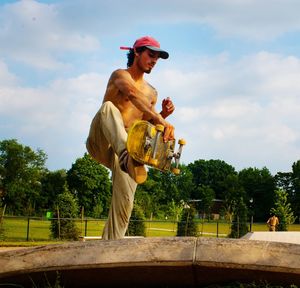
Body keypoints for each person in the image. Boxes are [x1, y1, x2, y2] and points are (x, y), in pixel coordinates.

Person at [86, 36, 175, 240]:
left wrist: (163, 116)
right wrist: (159, 116)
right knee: (108, 108)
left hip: (126, 155)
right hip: (101, 140)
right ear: (137, 52)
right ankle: (127, 155)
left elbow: (144, 125)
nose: (154, 61)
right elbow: (132, 93)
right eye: (150, 55)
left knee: (125, 204)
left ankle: (109, 249)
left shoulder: (152, 93)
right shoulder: (119, 75)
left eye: (157, 58)